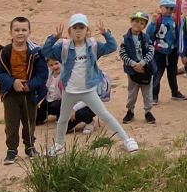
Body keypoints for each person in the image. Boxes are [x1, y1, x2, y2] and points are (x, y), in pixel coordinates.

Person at [41, 14, 138, 155]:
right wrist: (54, 38)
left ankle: (127, 140)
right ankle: (58, 145)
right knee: (62, 119)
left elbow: (111, 47)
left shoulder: (93, 45)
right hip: (69, 91)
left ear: (87, 30)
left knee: (105, 115)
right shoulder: (64, 47)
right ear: (70, 31)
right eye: (75, 27)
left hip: (88, 90)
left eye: (81, 27)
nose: (78, 31)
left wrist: (106, 33)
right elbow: (46, 52)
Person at [0, 16, 49, 164]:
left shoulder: (35, 52)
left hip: (30, 92)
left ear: (29, 31)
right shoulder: (5, 52)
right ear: (10, 32)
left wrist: (31, 85)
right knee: (11, 123)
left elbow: (42, 74)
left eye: (24, 30)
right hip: (11, 93)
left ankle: (30, 147)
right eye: (16, 30)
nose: (20, 33)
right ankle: (11, 151)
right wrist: (12, 82)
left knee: (29, 121)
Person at [119, 11, 156, 125]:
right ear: (131, 22)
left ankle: (148, 112)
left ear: (144, 26)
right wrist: (133, 64)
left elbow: (151, 51)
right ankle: (130, 111)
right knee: (132, 93)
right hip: (132, 70)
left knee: (147, 93)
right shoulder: (125, 38)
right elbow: (122, 54)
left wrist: (142, 63)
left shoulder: (146, 37)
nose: (138, 24)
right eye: (136, 21)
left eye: (142, 23)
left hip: (146, 69)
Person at [147, 0, 185, 104]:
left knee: (172, 72)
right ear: (161, 7)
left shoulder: (174, 19)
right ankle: (154, 95)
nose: (169, 10)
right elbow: (149, 34)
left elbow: (178, 33)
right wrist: (153, 23)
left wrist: (178, 47)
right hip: (159, 51)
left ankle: (175, 91)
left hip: (172, 51)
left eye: (171, 8)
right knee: (157, 73)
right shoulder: (157, 19)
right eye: (166, 7)